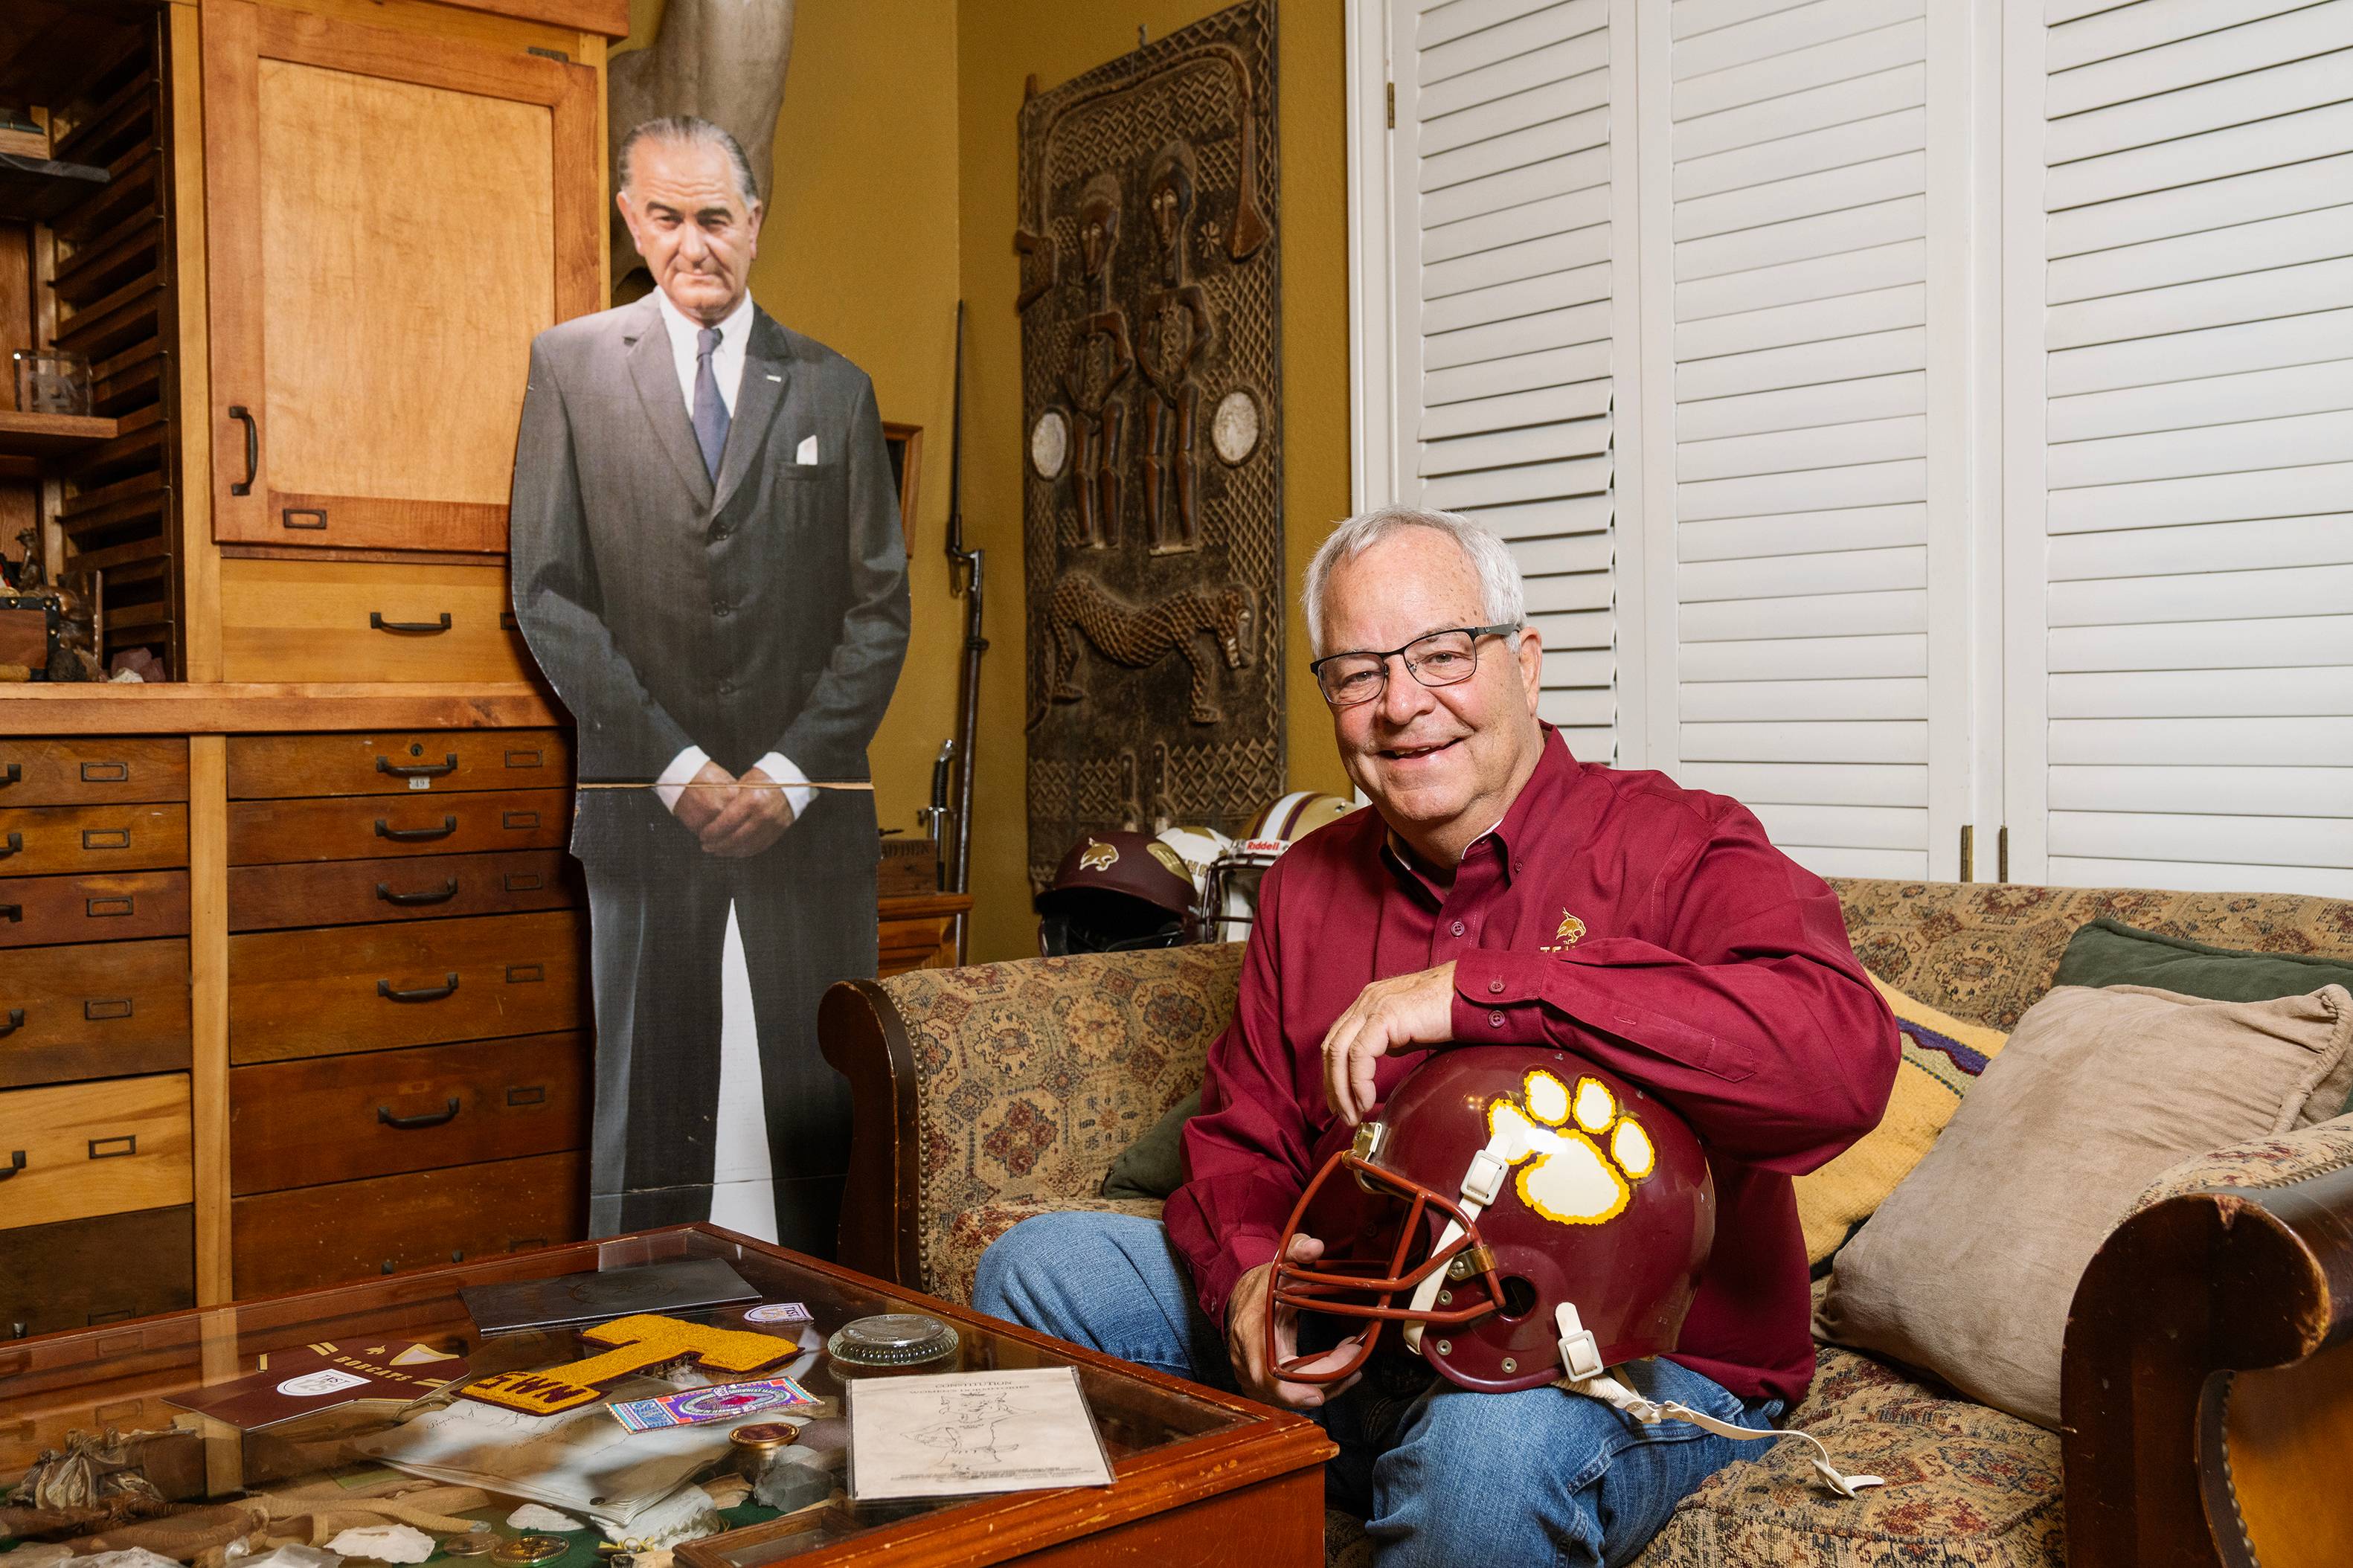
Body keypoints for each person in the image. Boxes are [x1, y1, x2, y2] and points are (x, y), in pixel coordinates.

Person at [975, 507, 1898, 1565]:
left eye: (1443, 656)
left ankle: (1417, 1475)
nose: (1403, 706)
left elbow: (1839, 1060)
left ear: (1526, 663)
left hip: (1629, 1361)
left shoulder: (1679, 842)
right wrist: (1247, 1276)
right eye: (1359, 673)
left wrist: (1486, 993)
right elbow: (1243, 1135)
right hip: (1364, 1324)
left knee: (1484, 1451)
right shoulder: (1308, 885)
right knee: (1043, 1268)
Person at [509, 115, 910, 1252]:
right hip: (644, 813)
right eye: (669, 217)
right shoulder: (570, 368)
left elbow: (879, 610)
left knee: (830, 1101)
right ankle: (640, 1350)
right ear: (634, 219)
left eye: (718, 218)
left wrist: (787, 774)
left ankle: (842, 1345)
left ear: (756, 223)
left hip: (810, 818)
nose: (695, 243)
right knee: (648, 1116)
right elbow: (548, 592)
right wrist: (677, 768)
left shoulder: (835, 389)